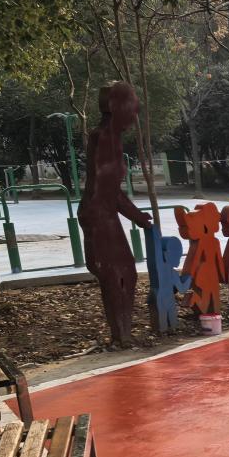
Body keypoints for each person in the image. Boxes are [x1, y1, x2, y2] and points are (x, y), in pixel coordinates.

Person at [77, 83, 150, 344]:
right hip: (100, 215)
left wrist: (135, 215)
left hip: (101, 212)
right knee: (120, 274)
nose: (135, 112)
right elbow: (107, 190)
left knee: (122, 273)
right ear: (115, 107)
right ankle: (122, 335)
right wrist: (137, 216)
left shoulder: (110, 137)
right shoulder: (105, 138)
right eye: (131, 105)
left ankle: (123, 334)